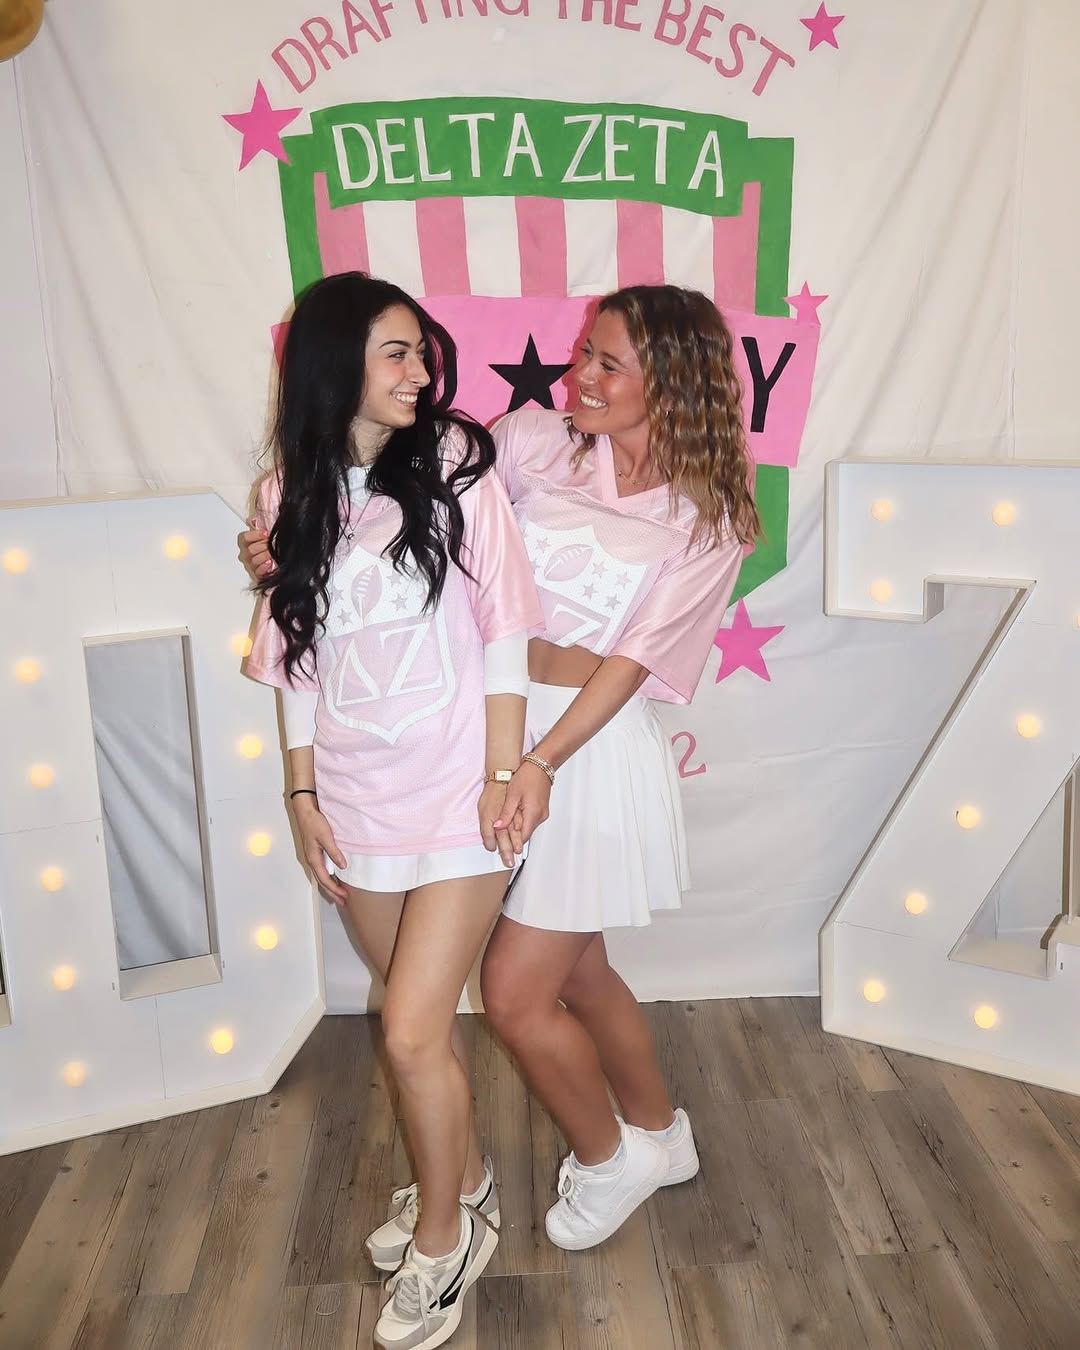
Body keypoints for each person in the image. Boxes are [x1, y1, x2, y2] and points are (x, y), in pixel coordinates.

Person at [243, 283, 760, 1252]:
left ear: (673, 383)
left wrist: (540, 762)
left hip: (586, 751)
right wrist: (290, 541)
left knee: (518, 992)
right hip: (486, 733)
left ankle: (611, 1157)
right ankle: (662, 1133)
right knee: (584, 970)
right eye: (585, 352)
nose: (580, 374)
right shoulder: (531, 442)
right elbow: (398, 502)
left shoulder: (707, 516)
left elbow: (633, 662)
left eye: (607, 362)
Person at [243, 271, 542, 1350]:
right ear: (338, 365)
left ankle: (444, 1241)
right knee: (412, 1028)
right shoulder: (286, 494)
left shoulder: (456, 462)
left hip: (463, 796)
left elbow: (506, 624)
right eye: (396, 354)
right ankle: (463, 1177)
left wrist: (504, 772)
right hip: (357, 802)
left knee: (412, 1031)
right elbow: (294, 660)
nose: (421, 374)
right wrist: (301, 792)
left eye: (423, 352)